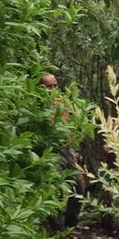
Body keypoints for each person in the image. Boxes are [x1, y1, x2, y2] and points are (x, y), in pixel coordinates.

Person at [41, 71, 88, 229]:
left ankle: (71, 225)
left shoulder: (63, 102)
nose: (53, 89)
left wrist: (75, 149)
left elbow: (72, 126)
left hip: (67, 150)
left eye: (55, 85)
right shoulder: (38, 106)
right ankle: (57, 228)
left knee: (79, 187)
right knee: (55, 189)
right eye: (49, 86)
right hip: (50, 150)